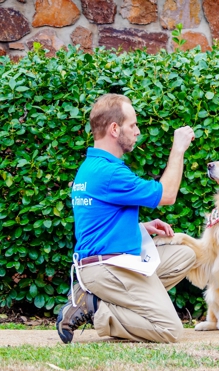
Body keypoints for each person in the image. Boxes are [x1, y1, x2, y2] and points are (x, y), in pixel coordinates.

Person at [56, 93, 196, 344]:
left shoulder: (91, 167)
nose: (137, 131)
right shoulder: (110, 173)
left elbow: (98, 223)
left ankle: (125, 302)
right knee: (170, 330)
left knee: (185, 255)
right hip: (107, 268)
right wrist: (179, 148)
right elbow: (168, 194)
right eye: (132, 125)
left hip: (114, 260)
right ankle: (96, 307)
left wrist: (141, 227)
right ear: (114, 129)